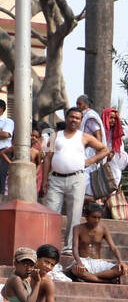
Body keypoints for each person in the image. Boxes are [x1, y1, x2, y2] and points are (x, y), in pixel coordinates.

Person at [41, 107, 110, 254]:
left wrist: (90, 161)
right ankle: (49, 246)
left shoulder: (84, 137)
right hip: (56, 179)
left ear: (80, 121)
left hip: (77, 179)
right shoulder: (55, 136)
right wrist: (44, 181)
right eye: (71, 117)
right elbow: (47, 158)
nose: (74, 120)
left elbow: (104, 150)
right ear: (66, 118)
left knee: (75, 214)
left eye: (77, 118)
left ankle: (68, 247)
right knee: (52, 213)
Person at [67, 203, 128, 283]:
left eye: (99, 218)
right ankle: (105, 281)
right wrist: (79, 262)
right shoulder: (77, 228)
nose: (96, 220)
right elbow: (74, 248)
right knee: (76, 270)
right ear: (86, 216)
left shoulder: (103, 229)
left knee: (120, 270)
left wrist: (120, 261)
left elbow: (113, 247)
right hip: (83, 261)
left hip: (98, 263)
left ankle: (90, 278)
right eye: (94, 217)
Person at [0, 98, 13, 195]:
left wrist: (2, 133)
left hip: (3, 153)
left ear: (1, 108)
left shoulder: (8, 121)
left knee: (2, 176)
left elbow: (6, 135)